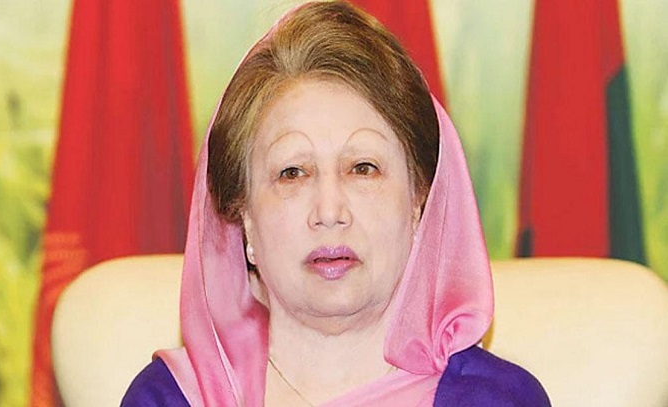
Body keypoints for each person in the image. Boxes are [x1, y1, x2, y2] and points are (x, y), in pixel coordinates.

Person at [122, 1, 550, 406]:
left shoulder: (495, 399)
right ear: (244, 218)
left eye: (363, 168)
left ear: (420, 201)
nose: (329, 212)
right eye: (293, 173)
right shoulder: (171, 399)